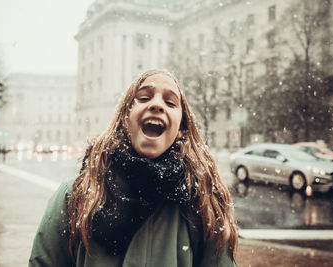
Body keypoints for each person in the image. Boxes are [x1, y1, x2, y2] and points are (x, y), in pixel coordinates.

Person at [29, 69, 238, 266]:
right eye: (144, 98)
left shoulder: (203, 201)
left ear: (182, 128)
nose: (157, 105)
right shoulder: (75, 194)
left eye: (170, 102)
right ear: (124, 119)